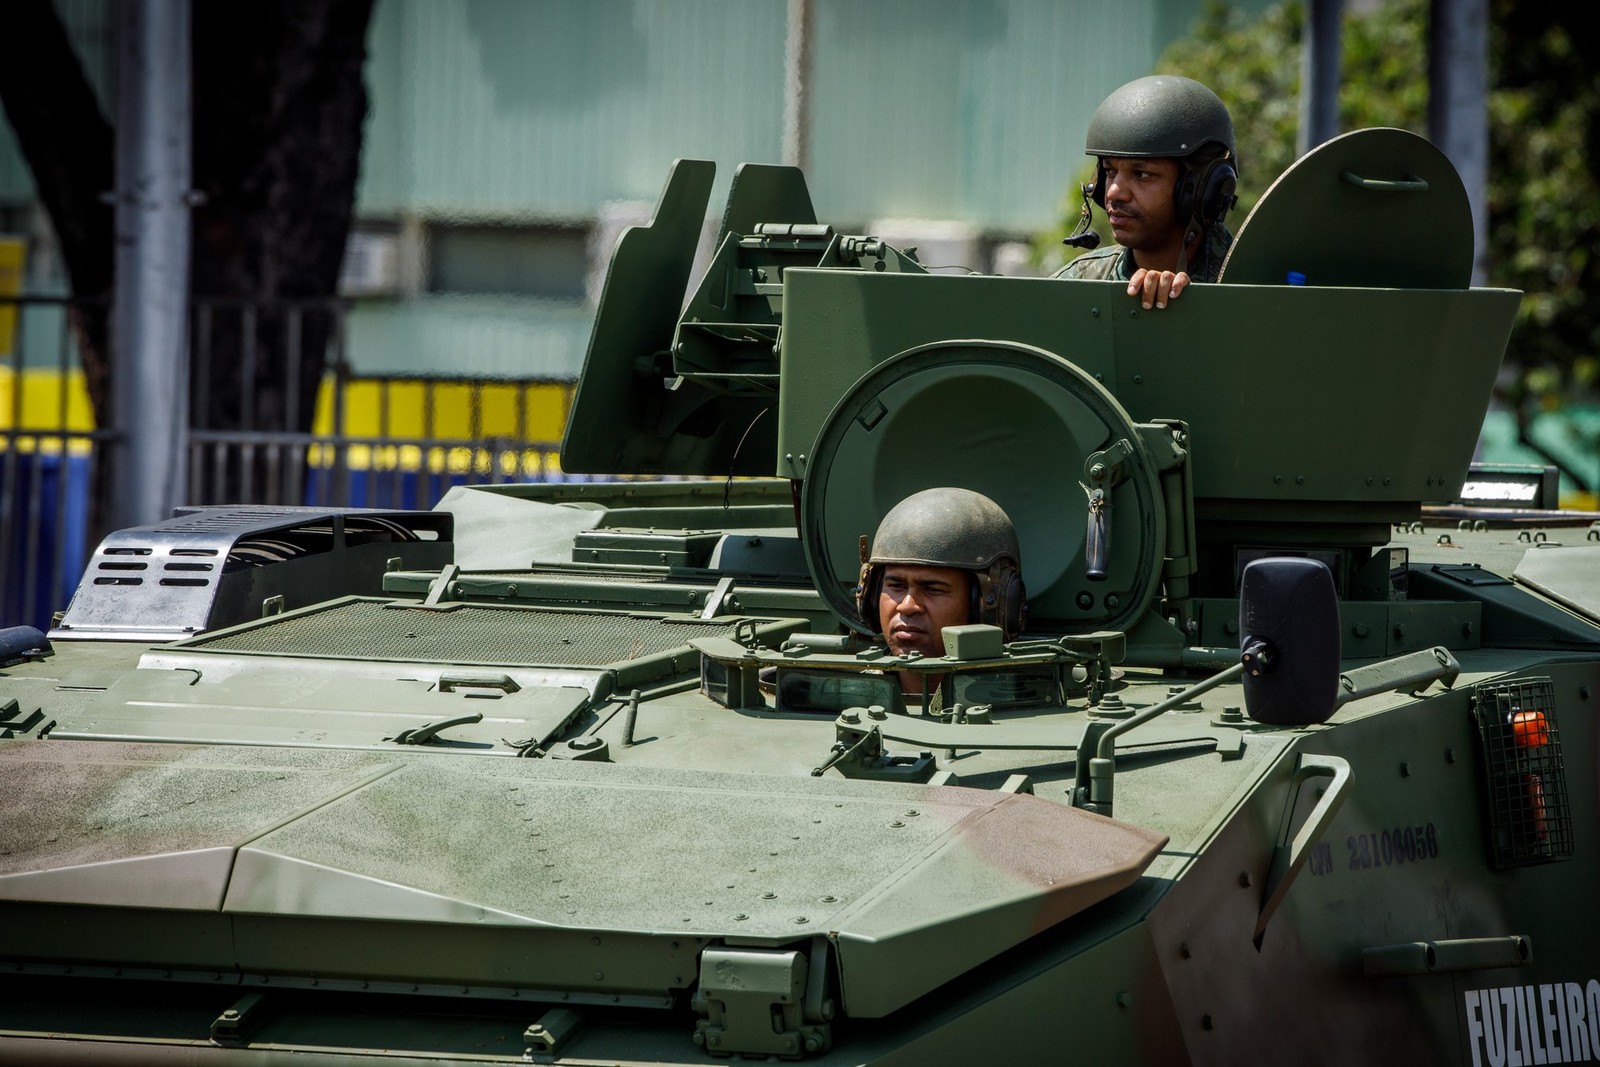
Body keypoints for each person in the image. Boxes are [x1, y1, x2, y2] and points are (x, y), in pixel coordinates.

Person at [1055, 74, 1240, 310]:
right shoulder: (1080, 283)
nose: (1114, 192)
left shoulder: (1257, 288)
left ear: (1203, 191)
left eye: (1141, 174)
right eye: (1110, 172)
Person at [855, 487, 1026, 697]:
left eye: (932, 589)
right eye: (896, 586)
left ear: (986, 604)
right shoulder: (849, 698)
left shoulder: (1025, 706)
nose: (907, 606)